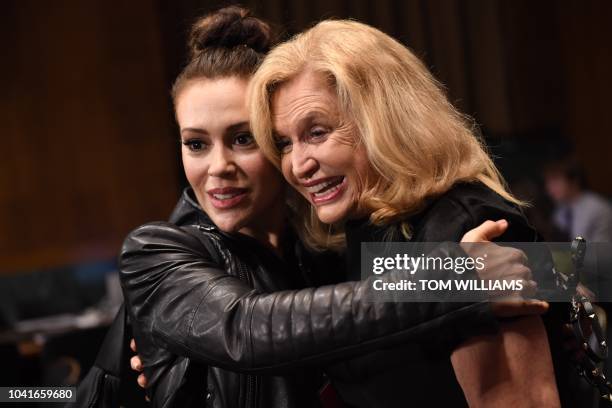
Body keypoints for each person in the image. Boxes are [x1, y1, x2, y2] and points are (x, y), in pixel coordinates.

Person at [120, 8, 549, 408]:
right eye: (195, 143)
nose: (218, 167)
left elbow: (534, 271)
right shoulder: (155, 250)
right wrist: (451, 279)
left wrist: (571, 280)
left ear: (380, 118)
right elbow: (247, 329)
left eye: (244, 138)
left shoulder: (330, 245)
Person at [248, 19, 568, 407]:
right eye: (284, 143)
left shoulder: (465, 224)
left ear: (384, 120)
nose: (298, 165)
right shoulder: (357, 233)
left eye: (317, 133)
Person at [544, 157, 612, 243]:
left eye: (555, 181)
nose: (549, 188)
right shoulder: (560, 210)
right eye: (548, 182)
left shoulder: (599, 209)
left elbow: (602, 252)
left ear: (574, 181)